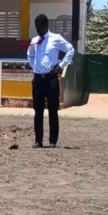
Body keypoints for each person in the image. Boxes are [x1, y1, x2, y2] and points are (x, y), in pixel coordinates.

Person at [27, 14, 74, 148]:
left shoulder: (56, 38)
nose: (38, 30)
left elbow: (70, 50)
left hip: (51, 79)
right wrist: (33, 65)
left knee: (53, 110)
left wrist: (61, 65)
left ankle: (53, 141)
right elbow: (29, 54)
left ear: (46, 25)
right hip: (38, 80)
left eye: (40, 27)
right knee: (38, 110)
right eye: (36, 27)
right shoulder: (35, 40)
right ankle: (38, 140)